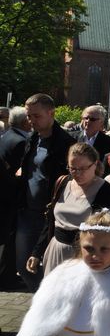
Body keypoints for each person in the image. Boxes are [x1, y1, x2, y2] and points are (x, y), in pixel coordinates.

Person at [16, 210, 110, 336]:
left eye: (104, 249)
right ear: (80, 245)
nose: (95, 256)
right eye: (89, 248)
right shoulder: (62, 276)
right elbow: (36, 326)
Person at [27, 143, 110, 277]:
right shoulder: (62, 183)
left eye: (83, 168)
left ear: (95, 164)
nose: (77, 173)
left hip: (85, 256)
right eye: (73, 168)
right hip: (56, 252)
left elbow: (108, 231)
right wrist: (36, 252)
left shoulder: (105, 190)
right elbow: (51, 221)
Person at [16, 93, 76, 292]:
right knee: (23, 265)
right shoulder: (32, 138)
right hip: (27, 211)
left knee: (51, 266)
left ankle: (51, 304)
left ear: (51, 113)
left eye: (36, 116)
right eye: (29, 116)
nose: (31, 120)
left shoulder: (65, 143)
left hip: (51, 215)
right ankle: (47, 300)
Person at [0, 106, 31, 289]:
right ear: (24, 121)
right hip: (12, 197)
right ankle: (7, 277)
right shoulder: (21, 142)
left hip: (5, 197)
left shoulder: (6, 136)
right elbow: (21, 173)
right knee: (10, 239)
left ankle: (7, 274)